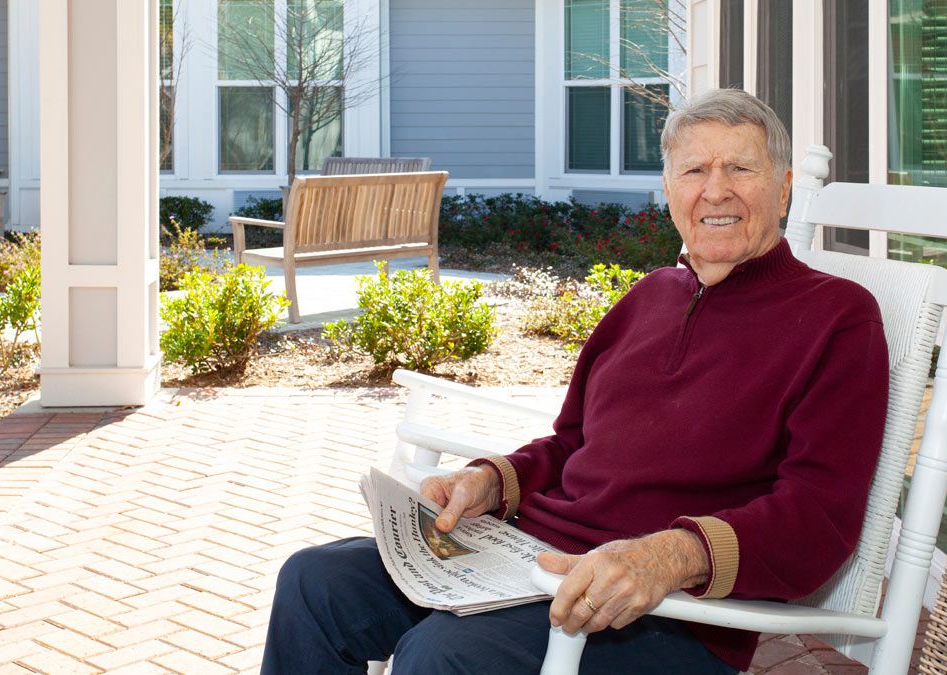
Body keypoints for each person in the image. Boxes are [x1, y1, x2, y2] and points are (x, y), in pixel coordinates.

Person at [261, 89, 889, 674]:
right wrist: (489, 481)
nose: (716, 191)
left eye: (741, 170)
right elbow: (570, 443)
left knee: (441, 656)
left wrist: (668, 555)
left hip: (663, 612)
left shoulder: (837, 318)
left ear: (782, 189)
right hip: (528, 559)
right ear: (668, 189)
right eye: (694, 171)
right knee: (314, 581)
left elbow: (819, 518)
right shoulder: (649, 297)